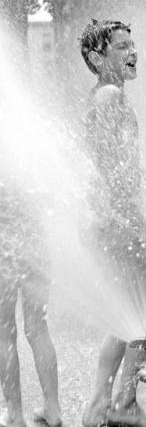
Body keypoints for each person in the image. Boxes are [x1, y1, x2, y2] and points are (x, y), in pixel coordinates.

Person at [79, 19, 146, 427]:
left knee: (127, 313)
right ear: (98, 58)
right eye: (121, 46)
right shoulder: (110, 96)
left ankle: (101, 404)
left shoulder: (108, 96)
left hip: (116, 216)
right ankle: (125, 403)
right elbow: (111, 167)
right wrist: (138, 224)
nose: (132, 52)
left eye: (133, 44)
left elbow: (116, 162)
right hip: (121, 219)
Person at [0, 181, 62, 427]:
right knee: (38, 328)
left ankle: (15, 414)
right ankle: (53, 408)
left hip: (3, 243)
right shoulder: (30, 153)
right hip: (35, 240)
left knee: (4, 331)